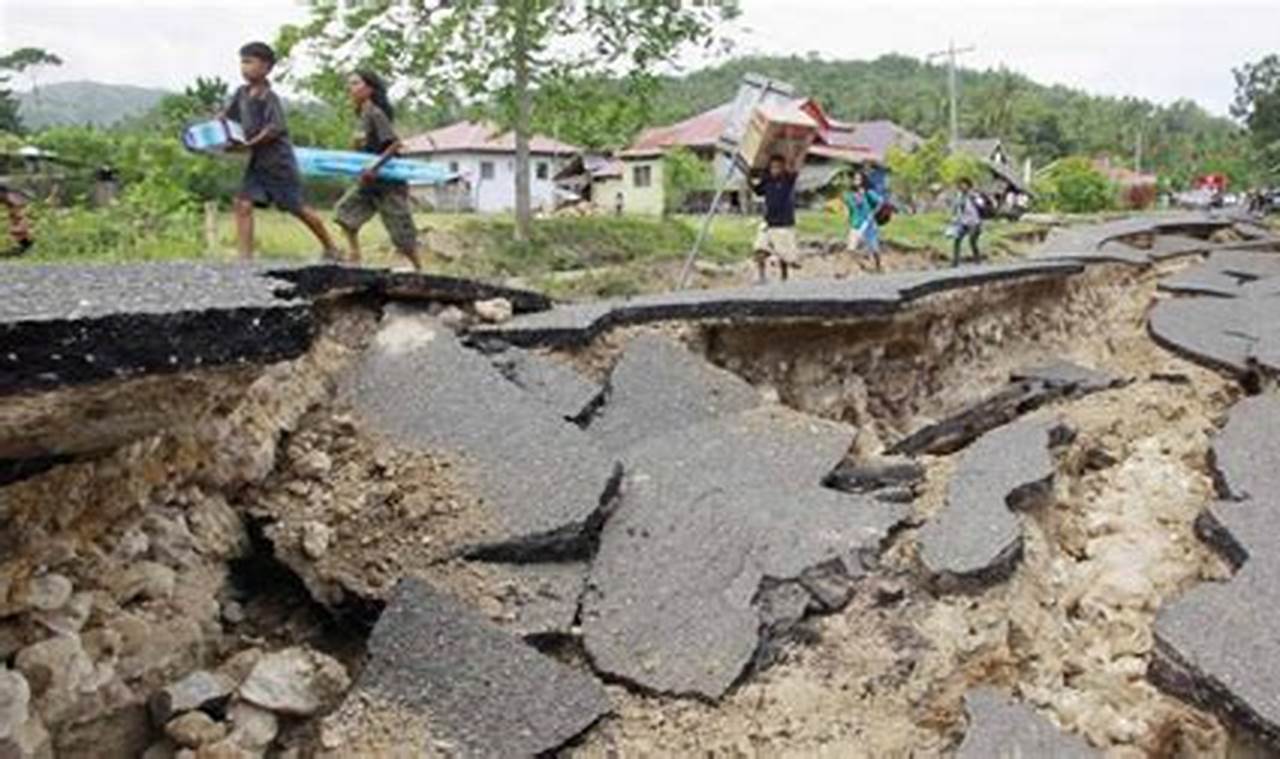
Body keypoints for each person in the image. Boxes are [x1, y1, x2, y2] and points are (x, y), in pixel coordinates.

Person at [222, 41, 340, 262]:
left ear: (266, 67)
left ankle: (332, 248)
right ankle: (244, 259)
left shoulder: (269, 97)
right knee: (242, 203)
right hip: (257, 163)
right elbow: (228, 119)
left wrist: (248, 145)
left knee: (297, 208)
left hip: (278, 163)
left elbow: (275, 129)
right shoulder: (241, 94)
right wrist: (219, 136)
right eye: (242, 62)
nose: (244, 67)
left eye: (249, 62)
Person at [334, 70, 422, 270]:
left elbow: (394, 145)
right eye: (350, 84)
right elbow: (364, 147)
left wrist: (374, 166)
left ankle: (418, 267)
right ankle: (355, 255)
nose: (351, 88)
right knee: (344, 213)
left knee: (401, 232)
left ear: (369, 89)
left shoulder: (375, 113)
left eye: (356, 83)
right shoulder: (362, 114)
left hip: (388, 182)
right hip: (369, 181)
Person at [750, 154, 800, 284]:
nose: (775, 170)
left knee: (783, 253)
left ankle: (784, 276)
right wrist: (748, 177)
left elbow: (794, 168)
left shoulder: (788, 180)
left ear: (783, 168)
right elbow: (757, 190)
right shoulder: (767, 181)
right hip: (768, 222)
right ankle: (761, 276)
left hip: (783, 223)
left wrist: (791, 151)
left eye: (778, 167)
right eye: (772, 167)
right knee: (759, 248)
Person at [843, 170, 883, 272]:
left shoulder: (868, 192)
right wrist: (846, 221)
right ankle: (846, 270)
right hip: (855, 223)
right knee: (850, 248)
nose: (855, 181)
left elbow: (880, 202)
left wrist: (873, 213)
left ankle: (878, 266)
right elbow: (847, 208)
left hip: (868, 223)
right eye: (854, 178)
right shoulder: (849, 195)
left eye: (858, 179)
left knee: (874, 248)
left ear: (863, 180)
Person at [950, 177, 984, 267]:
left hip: (974, 222)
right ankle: (955, 261)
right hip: (963, 222)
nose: (962, 186)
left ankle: (977, 259)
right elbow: (955, 207)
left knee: (972, 241)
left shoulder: (974, 195)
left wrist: (974, 199)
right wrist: (954, 218)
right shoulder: (959, 196)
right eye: (960, 184)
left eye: (964, 184)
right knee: (957, 240)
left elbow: (981, 205)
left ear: (968, 186)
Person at [0, 183, 34, 257]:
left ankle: (25, 248)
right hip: (20, 222)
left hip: (26, 224)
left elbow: (24, 215)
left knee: (17, 230)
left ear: (2, 192)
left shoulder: (13, 198)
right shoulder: (7, 200)